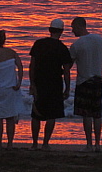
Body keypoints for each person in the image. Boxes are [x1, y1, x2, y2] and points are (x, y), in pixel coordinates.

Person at [29, 18, 73, 151]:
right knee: (52, 115)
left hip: (39, 81)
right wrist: (68, 88)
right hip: (55, 83)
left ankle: (35, 143)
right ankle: (45, 143)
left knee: (36, 114)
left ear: (49, 30)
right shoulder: (62, 48)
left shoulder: (39, 44)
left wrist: (32, 84)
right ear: (61, 32)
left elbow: (32, 66)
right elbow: (66, 71)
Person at [70, 17, 102, 152]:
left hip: (84, 80)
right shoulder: (99, 39)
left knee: (86, 114)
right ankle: (98, 144)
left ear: (79, 26)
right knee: (97, 113)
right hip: (98, 79)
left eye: (73, 27)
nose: (72, 30)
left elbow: (69, 64)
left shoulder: (76, 45)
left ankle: (89, 144)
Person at [0, 30, 25, 150]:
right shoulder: (12, 53)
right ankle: (10, 144)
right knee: (10, 117)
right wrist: (19, 82)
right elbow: (20, 67)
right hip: (11, 88)